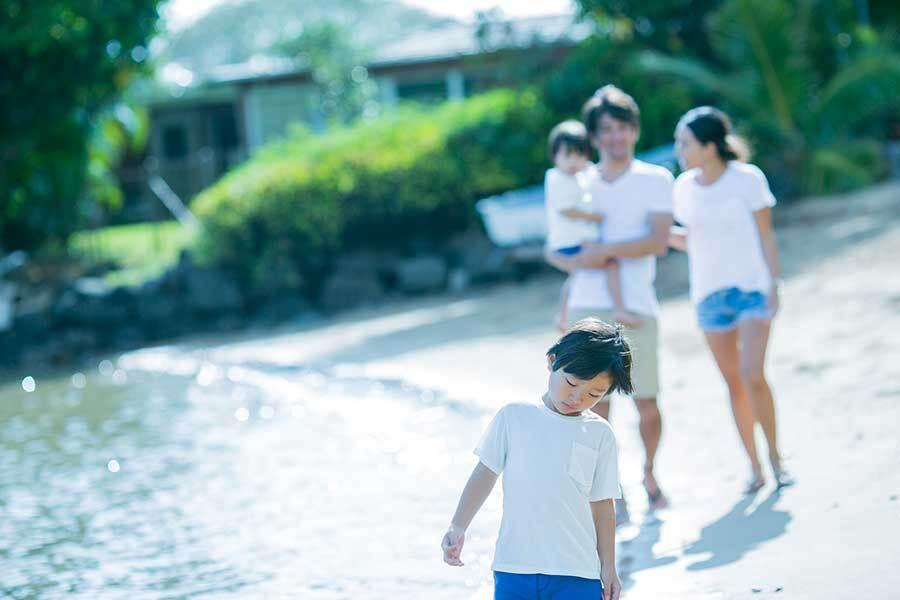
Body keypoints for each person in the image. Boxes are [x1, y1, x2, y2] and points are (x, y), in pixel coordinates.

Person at [545, 85, 673, 514]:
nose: (615, 137)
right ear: (593, 136)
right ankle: (609, 492)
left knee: (647, 404)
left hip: (637, 305)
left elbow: (657, 241)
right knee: (594, 411)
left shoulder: (655, 178)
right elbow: (555, 245)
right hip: (586, 304)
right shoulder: (578, 180)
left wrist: (605, 251)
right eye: (606, 130)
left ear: (634, 130)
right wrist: (573, 264)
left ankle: (650, 473)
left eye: (622, 128)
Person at [441, 318, 630, 600]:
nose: (577, 397)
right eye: (571, 383)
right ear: (552, 361)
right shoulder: (514, 416)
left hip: (577, 571)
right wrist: (458, 525)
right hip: (514, 566)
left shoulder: (600, 434)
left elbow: (603, 504)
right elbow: (484, 473)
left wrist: (609, 566)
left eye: (594, 394)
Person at [669, 106, 794, 493]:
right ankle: (754, 468)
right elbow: (692, 240)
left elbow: (766, 235)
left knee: (753, 374)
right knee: (734, 385)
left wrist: (774, 282)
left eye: (685, 143)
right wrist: (653, 236)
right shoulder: (683, 188)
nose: (679, 150)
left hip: (752, 290)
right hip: (709, 297)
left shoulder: (748, 179)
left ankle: (776, 458)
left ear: (709, 146)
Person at [544, 120, 641, 330]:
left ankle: (562, 316)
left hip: (574, 241)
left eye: (579, 155)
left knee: (576, 276)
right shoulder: (556, 178)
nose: (573, 161)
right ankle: (620, 308)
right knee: (611, 264)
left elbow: (591, 175)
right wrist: (593, 217)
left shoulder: (580, 174)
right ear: (555, 156)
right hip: (571, 243)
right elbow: (565, 209)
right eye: (567, 155)